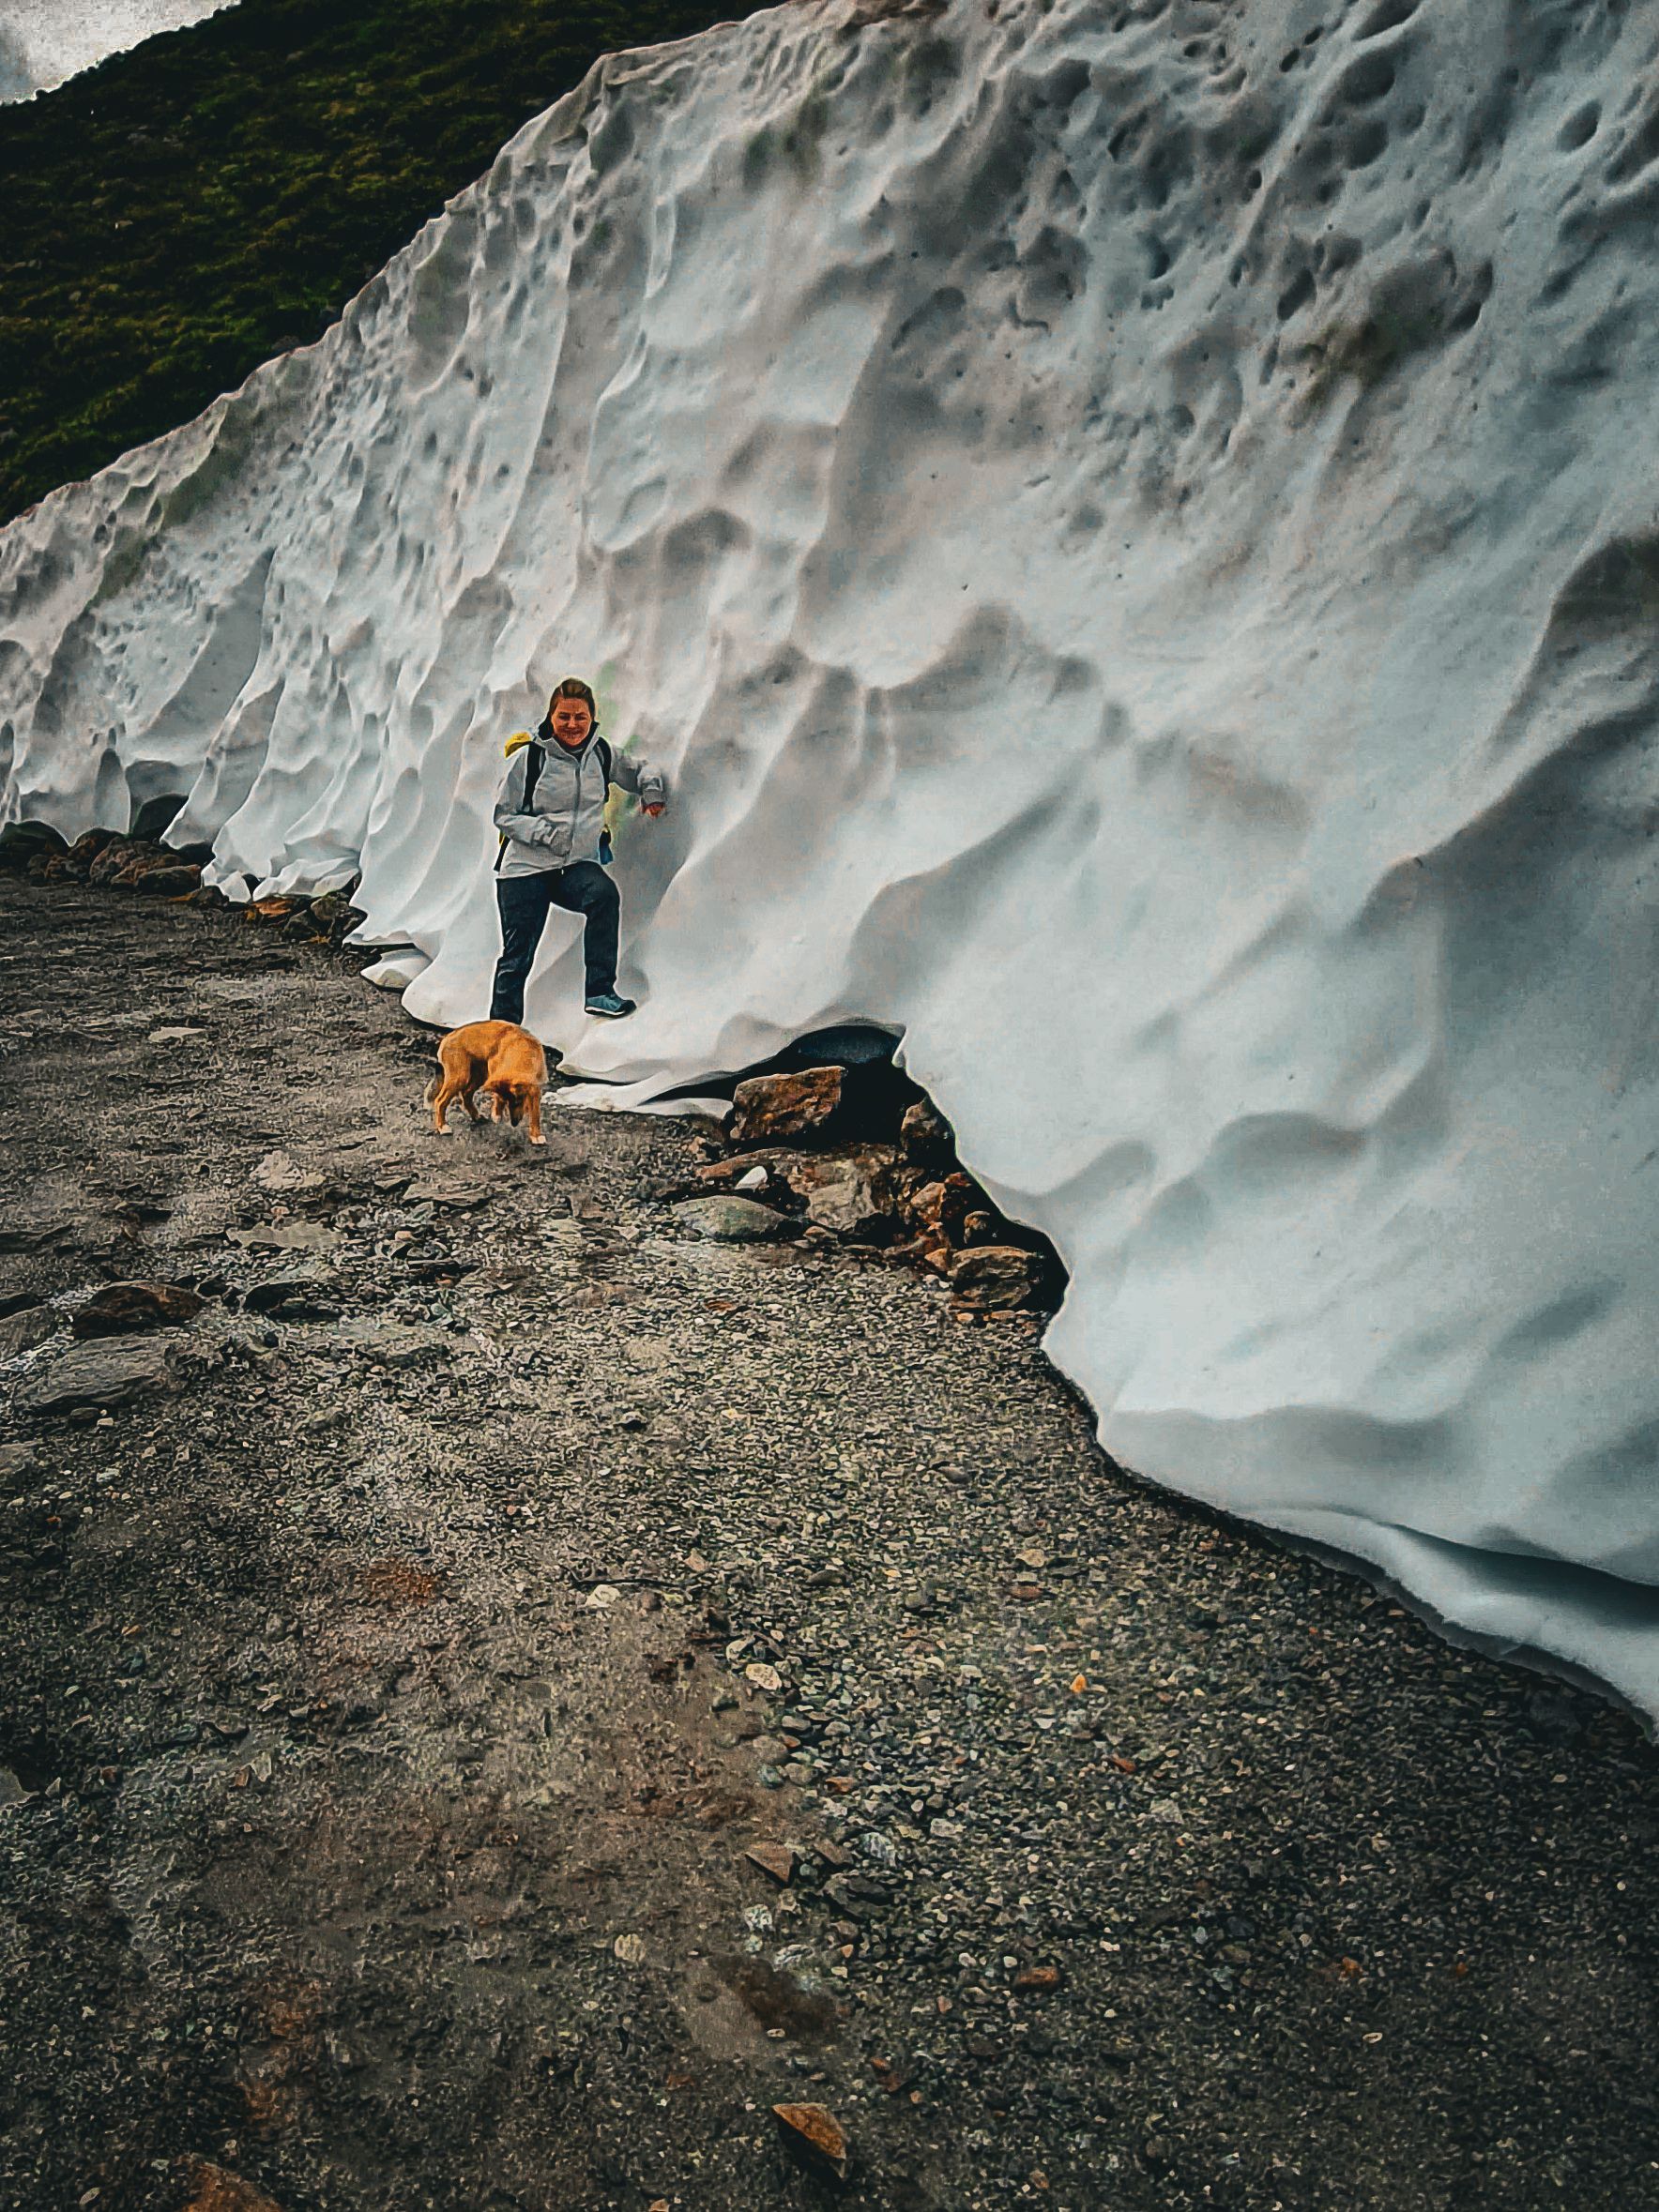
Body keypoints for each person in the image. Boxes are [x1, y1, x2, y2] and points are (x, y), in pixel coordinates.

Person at [488, 677, 666, 1023]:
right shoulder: (530, 758)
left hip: (573, 868)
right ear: (551, 717)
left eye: (580, 717)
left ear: (591, 718)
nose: (572, 725)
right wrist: (546, 835)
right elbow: (503, 815)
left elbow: (641, 769)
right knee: (517, 956)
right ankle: (502, 1033)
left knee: (603, 895)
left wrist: (652, 791)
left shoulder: (601, 754)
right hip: (526, 868)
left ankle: (600, 991)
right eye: (564, 716)